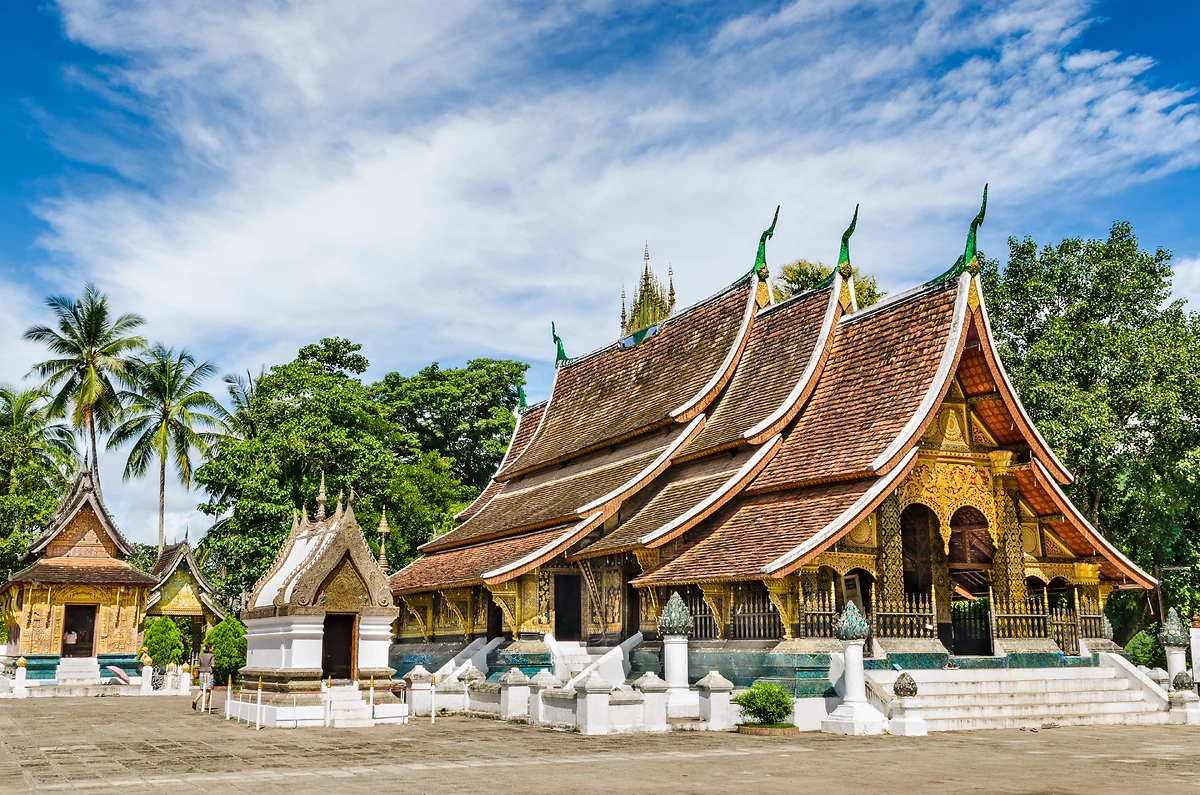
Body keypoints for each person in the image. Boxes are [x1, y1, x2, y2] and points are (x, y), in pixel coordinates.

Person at [193, 643, 215, 712]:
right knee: (208, 689)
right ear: (209, 648)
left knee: (202, 689)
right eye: (212, 647)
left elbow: (198, 664)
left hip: (202, 673)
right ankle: (206, 704)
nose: (213, 649)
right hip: (208, 673)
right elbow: (213, 665)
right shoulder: (212, 656)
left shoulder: (201, 655)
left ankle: (195, 700)